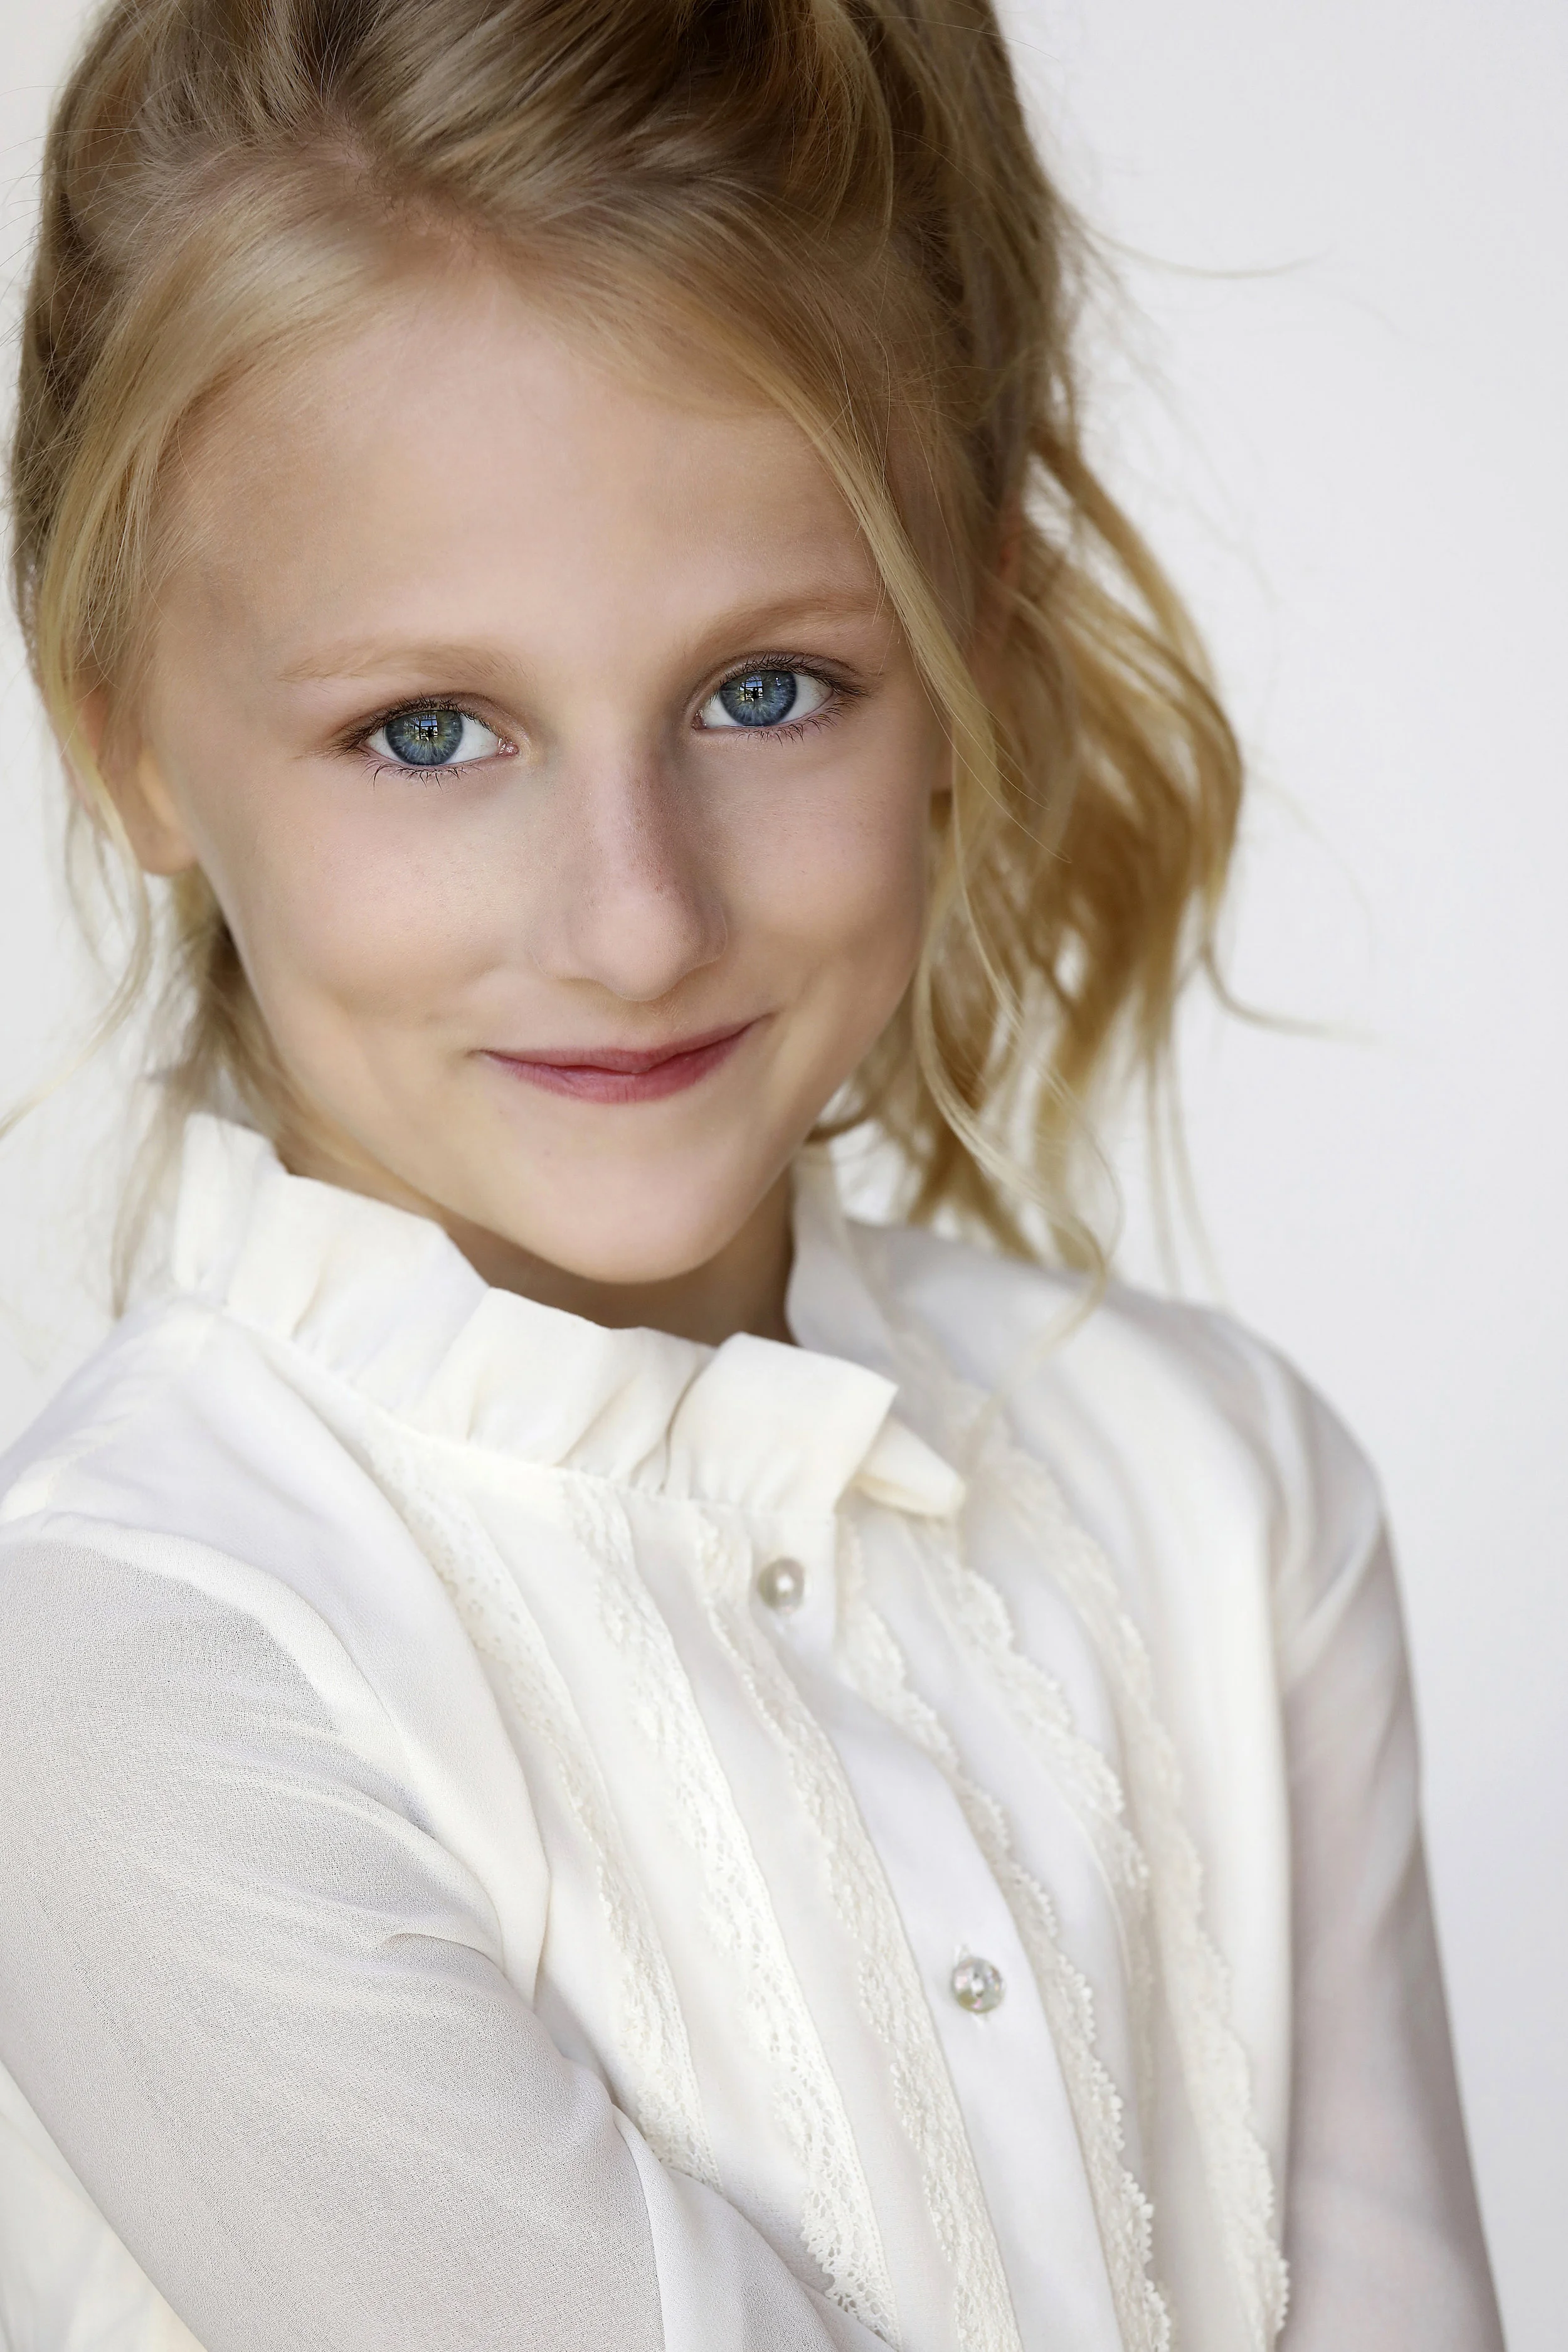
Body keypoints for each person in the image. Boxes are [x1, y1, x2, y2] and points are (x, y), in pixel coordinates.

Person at [0, 2, 1505, 2348]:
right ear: (134, 747)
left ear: (973, 635)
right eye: (428, 730)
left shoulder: (1222, 1502)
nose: (634, 921)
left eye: (767, 689)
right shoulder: (141, 1675)